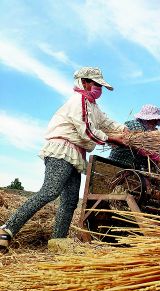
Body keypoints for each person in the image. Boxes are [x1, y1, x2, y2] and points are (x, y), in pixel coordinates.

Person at [0, 67, 128, 252]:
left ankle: (57, 241)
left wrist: (125, 131)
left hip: (75, 154)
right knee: (50, 191)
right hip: (61, 150)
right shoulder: (79, 100)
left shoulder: (92, 105)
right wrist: (112, 139)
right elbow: (87, 131)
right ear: (84, 82)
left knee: (69, 200)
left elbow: (106, 122)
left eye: (100, 85)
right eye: (96, 84)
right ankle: (7, 229)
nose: (99, 88)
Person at [108, 104, 160, 170]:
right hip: (118, 164)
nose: (155, 123)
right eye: (153, 120)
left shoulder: (147, 132)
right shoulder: (135, 126)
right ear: (145, 119)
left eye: (156, 121)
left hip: (132, 168)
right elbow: (141, 147)